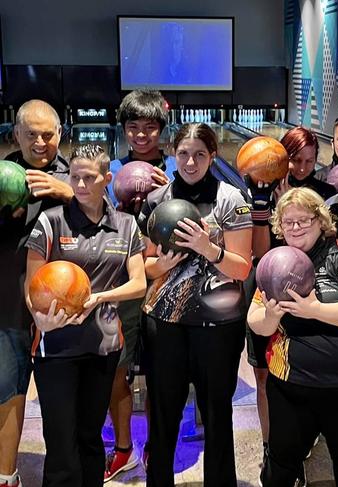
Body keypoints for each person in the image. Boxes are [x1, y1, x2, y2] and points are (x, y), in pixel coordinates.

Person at [24, 144, 147, 487]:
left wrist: (98, 298)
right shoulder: (51, 222)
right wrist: (39, 319)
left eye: (88, 178)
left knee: (91, 438)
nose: (79, 185)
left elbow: (138, 283)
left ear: (106, 179)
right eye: (74, 177)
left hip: (102, 346)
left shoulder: (125, 225)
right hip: (56, 348)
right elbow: (33, 282)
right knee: (62, 444)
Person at [137, 123, 253, 487]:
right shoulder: (155, 201)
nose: (190, 161)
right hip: (164, 323)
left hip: (218, 327)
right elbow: (146, 265)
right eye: (184, 153)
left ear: (213, 157)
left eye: (200, 154)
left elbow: (242, 265)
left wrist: (209, 248)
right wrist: (165, 264)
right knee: (163, 413)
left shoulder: (231, 199)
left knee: (218, 414)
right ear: (173, 154)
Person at [247, 187, 338, 487]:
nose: (295, 228)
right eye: (287, 222)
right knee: (280, 469)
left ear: (321, 221)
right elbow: (256, 322)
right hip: (291, 389)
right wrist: (271, 316)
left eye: (304, 220)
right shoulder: (275, 264)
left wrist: (315, 310)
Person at [245, 126, 338, 471]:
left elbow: (332, 246)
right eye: (294, 160)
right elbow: (259, 252)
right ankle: (272, 447)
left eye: (309, 161)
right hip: (267, 288)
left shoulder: (327, 193)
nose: (301, 169)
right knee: (264, 375)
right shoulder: (260, 188)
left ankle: (301, 439)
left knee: (300, 370)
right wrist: (267, 204)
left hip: (311, 293)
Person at [0, 100, 72, 487]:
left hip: (65, 308)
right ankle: (6, 474)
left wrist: (69, 193)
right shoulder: (3, 174)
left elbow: (112, 224)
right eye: (32, 134)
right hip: (9, 306)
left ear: (60, 134)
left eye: (49, 134)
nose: (42, 142)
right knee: (8, 392)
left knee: (61, 403)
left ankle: (62, 476)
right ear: (16, 135)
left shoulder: (76, 178)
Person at [105, 89, 173, 480]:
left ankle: (157, 444)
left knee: (164, 372)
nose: (142, 136)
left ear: (162, 129)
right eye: (134, 128)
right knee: (119, 369)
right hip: (125, 287)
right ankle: (124, 447)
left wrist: (170, 192)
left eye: (150, 128)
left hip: (167, 286)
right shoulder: (112, 169)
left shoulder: (179, 169)